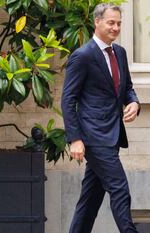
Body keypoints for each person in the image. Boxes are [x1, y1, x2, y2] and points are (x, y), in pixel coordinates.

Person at [61, 3, 140, 233]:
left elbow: (127, 88)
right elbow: (68, 100)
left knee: (90, 199)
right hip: (94, 137)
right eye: (110, 22)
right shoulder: (82, 56)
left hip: (112, 135)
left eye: (118, 23)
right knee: (119, 188)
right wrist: (74, 139)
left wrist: (133, 102)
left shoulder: (120, 53)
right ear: (97, 22)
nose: (115, 27)